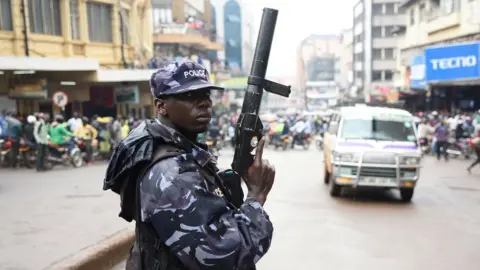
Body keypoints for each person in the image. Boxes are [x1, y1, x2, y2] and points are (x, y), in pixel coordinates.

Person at [104, 61, 275, 270]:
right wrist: (256, 195)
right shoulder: (173, 173)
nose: (203, 103)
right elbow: (224, 257)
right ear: (161, 106)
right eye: (188, 96)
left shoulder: (180, 150)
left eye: (205, 95)